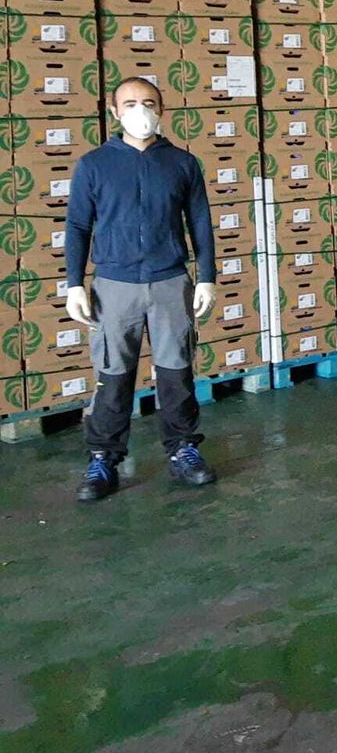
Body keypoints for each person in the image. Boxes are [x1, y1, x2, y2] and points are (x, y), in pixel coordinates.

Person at [65, 78, 219, 501]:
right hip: (114, 284)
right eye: (130, 103)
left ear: (162, 110)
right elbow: (78, 225)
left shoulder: (182, 163)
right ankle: (103, 457)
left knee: (175, 371)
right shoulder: (94, 165)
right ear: (114, 112)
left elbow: (200, 222)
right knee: (113, 374)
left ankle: (183, 448)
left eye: (148, 103)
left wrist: (206, 275)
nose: (140, 110)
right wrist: (74, 283)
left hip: (170, 280)